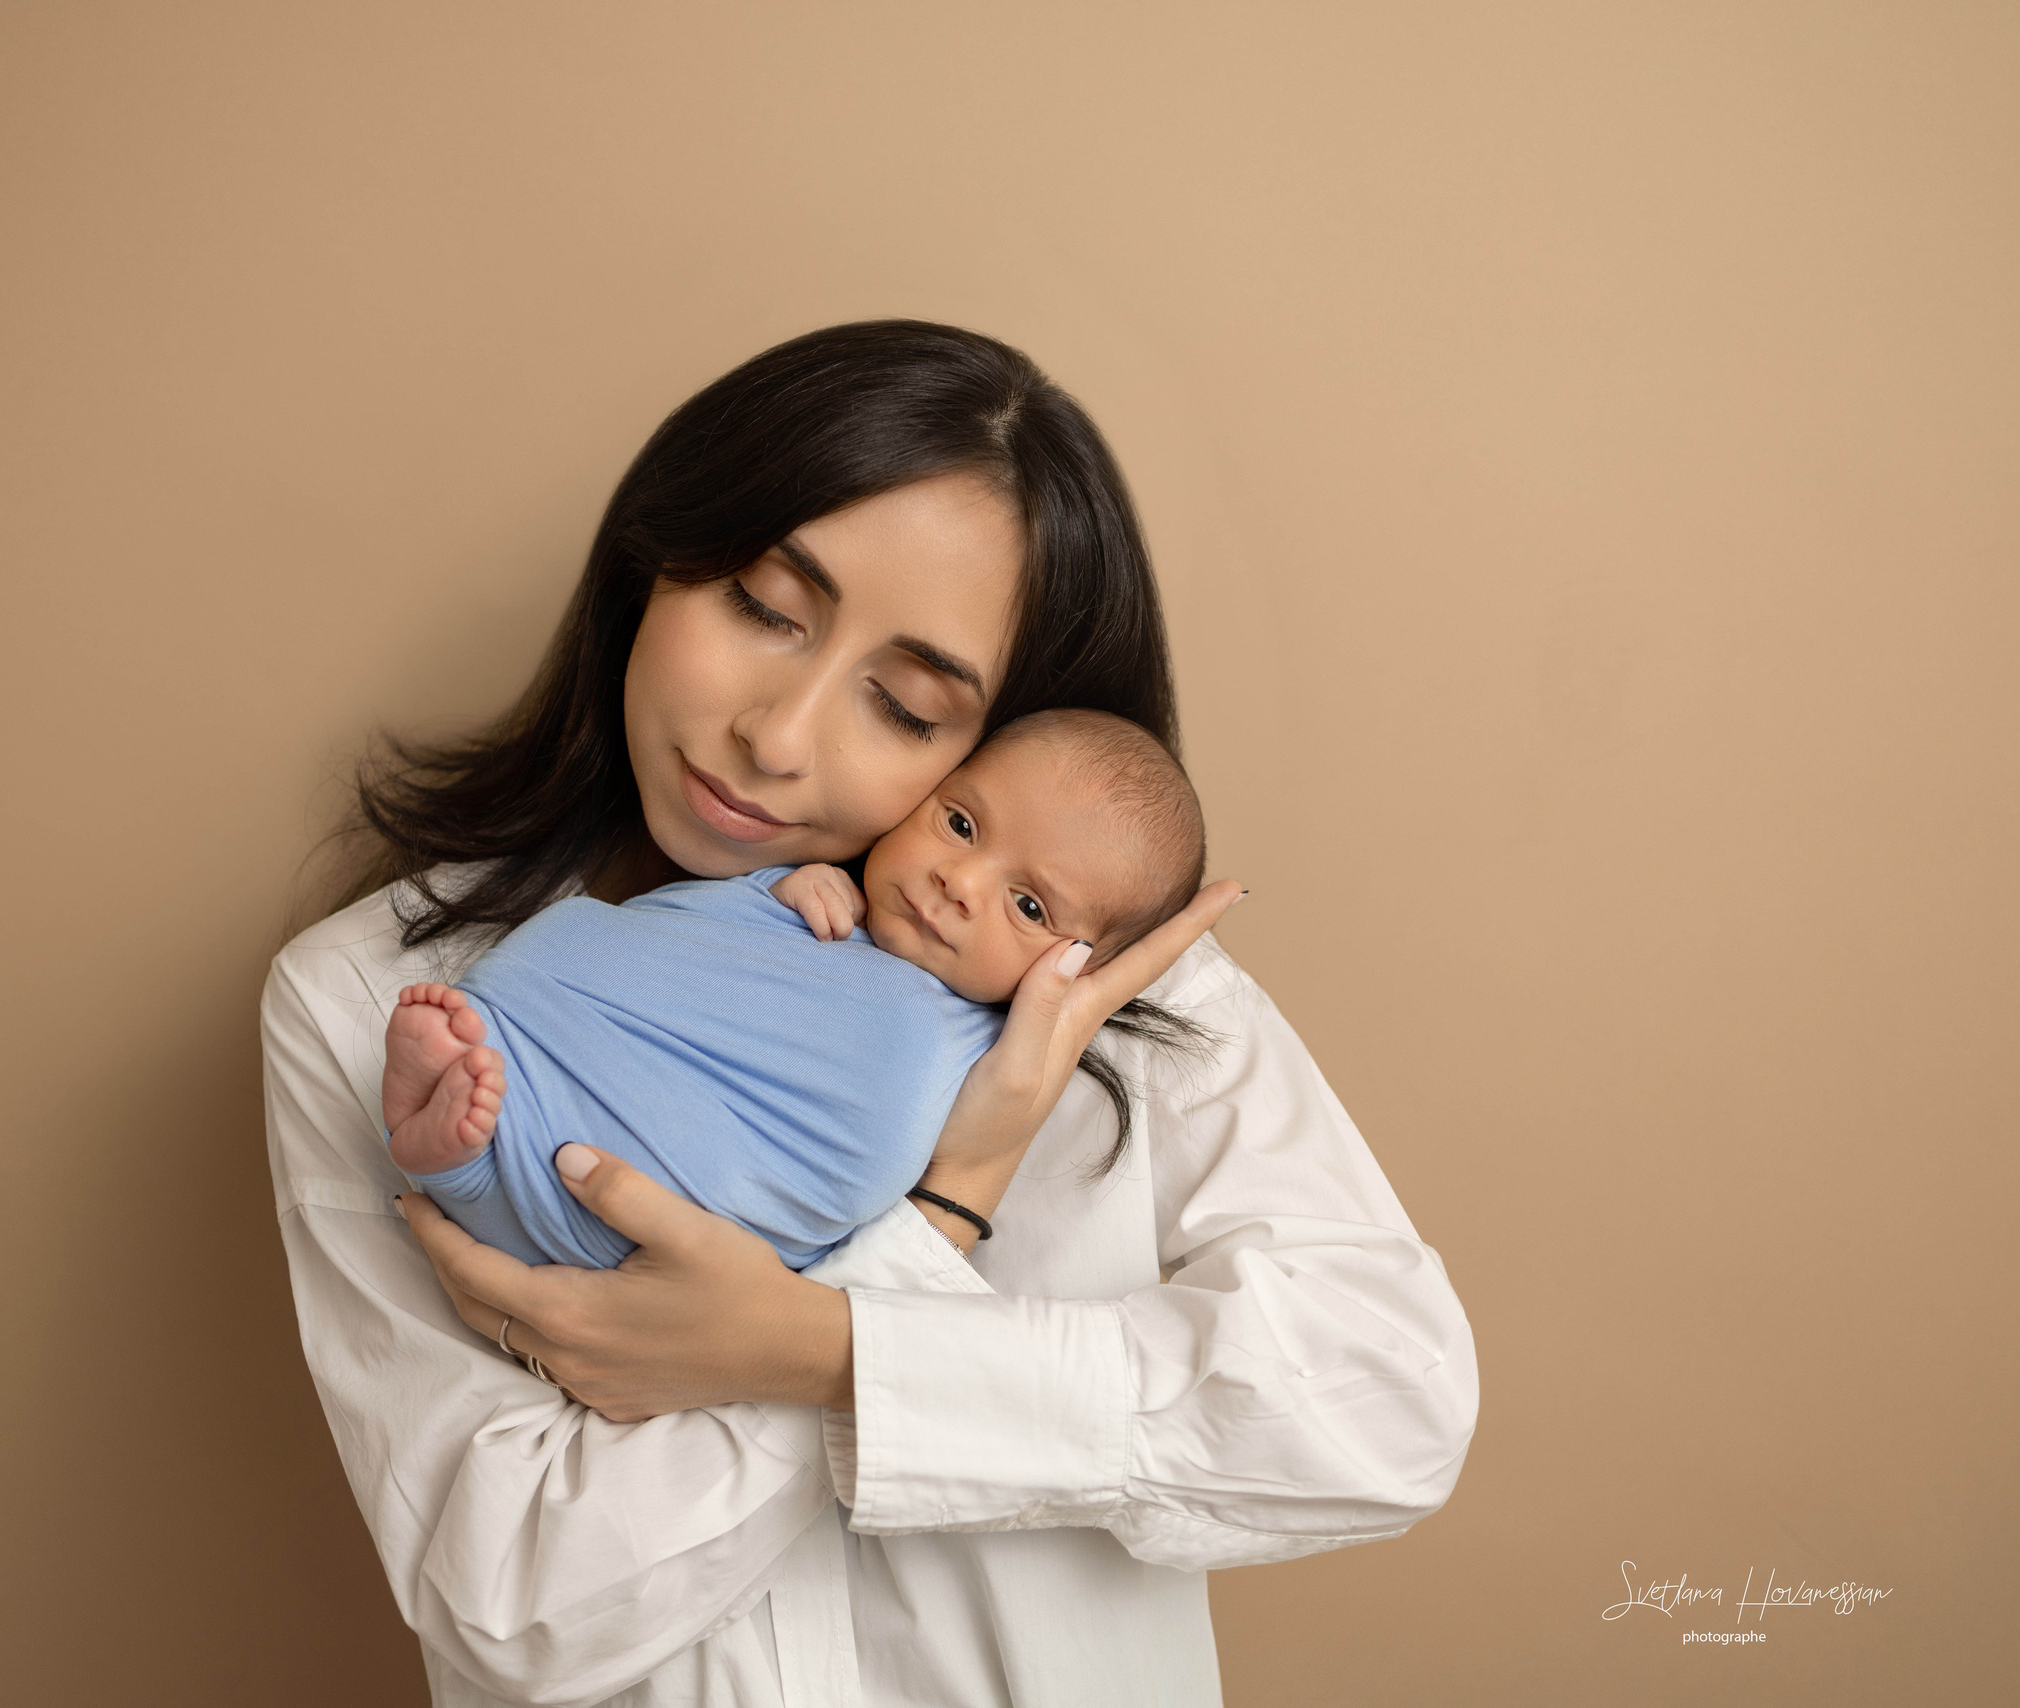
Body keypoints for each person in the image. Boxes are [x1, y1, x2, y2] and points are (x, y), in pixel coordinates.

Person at [262, 320, 1478, 1707]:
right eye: (766, 610)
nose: (776, 738)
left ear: (1008, 733)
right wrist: (944, 1226)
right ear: (653, 563)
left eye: (903, 706)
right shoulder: (375, 996)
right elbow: (516, 1606)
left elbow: (1388, 1408)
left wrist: (827, 1350)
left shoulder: (1096, 987)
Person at [383, 708, 1206, 1273]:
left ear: (1076, 966)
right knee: (560, 973)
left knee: (611, 1193)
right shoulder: (817, 897)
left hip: (683, 1222)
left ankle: (466, 1160)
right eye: (960, 824)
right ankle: (465, 1143)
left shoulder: (998, 1053)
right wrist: (785, 891)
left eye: (1028, 906)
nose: (959, 881)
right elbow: (697, 947)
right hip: (568, 1074)